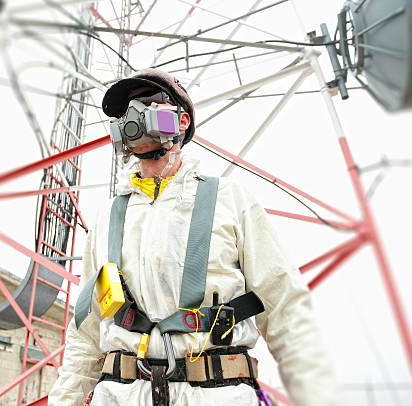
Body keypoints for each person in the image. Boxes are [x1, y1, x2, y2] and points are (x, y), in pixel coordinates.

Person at [48, 69, 335, 406]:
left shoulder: (230, 201)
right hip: (121, 394)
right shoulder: (108, 217)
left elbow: (286, 311)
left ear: (181, 121)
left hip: (216, 394)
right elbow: (86, 332)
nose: (134, 116)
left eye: (148, 103)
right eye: (125, 112)